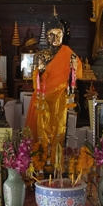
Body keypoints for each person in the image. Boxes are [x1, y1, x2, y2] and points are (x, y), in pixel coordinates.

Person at [25, 10, 82, 158]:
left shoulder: (70, 54)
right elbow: (34, 77)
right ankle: (41, 157)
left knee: (59, 127)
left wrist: (70, 91)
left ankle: (56, 158)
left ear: (63, 35)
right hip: (43, 96)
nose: (55, 38)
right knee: (41, 128)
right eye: (52, 34)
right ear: (46, 36)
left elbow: (73, 79)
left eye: (59, 34)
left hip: (61, 97)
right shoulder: (39, 56)